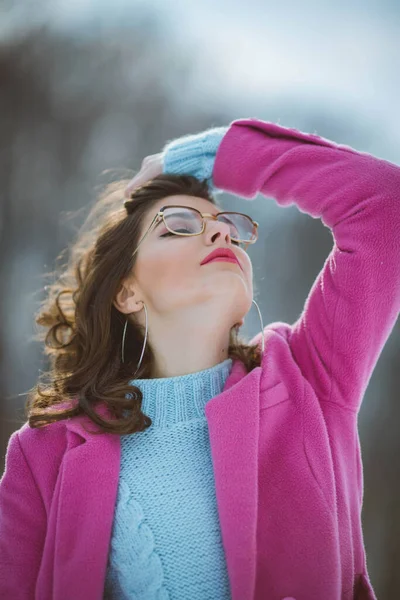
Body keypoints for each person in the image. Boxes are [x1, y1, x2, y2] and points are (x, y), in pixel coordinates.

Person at [0, 117, 399, 600]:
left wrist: (208, 156)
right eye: (179, 226)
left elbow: (385, 205)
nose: (222, 235)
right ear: (126, 291)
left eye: (229, 226)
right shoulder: (46, 450)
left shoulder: (310, 379)